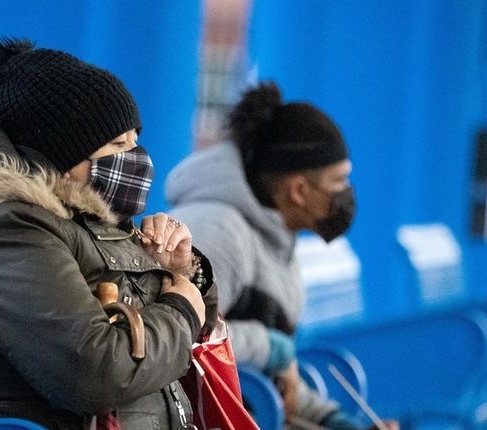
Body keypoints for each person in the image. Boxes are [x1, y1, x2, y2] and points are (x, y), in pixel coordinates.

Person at [0, 38, 217, 430]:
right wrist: (181, 310)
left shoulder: (85, 223)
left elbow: (194, 329)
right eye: (117, 144)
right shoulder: (5, 232)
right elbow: (93, 372)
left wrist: (182, 272)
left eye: (135, 140)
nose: (136, 158)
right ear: (59, 156)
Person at [166, 82, 398, 430]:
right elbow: (181, 340)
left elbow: (274, 378)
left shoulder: (278, 237)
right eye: (339, 181)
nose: (347, 194)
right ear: (299, 190)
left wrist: (331, 419)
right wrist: (271, 346)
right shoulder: (220, 232)